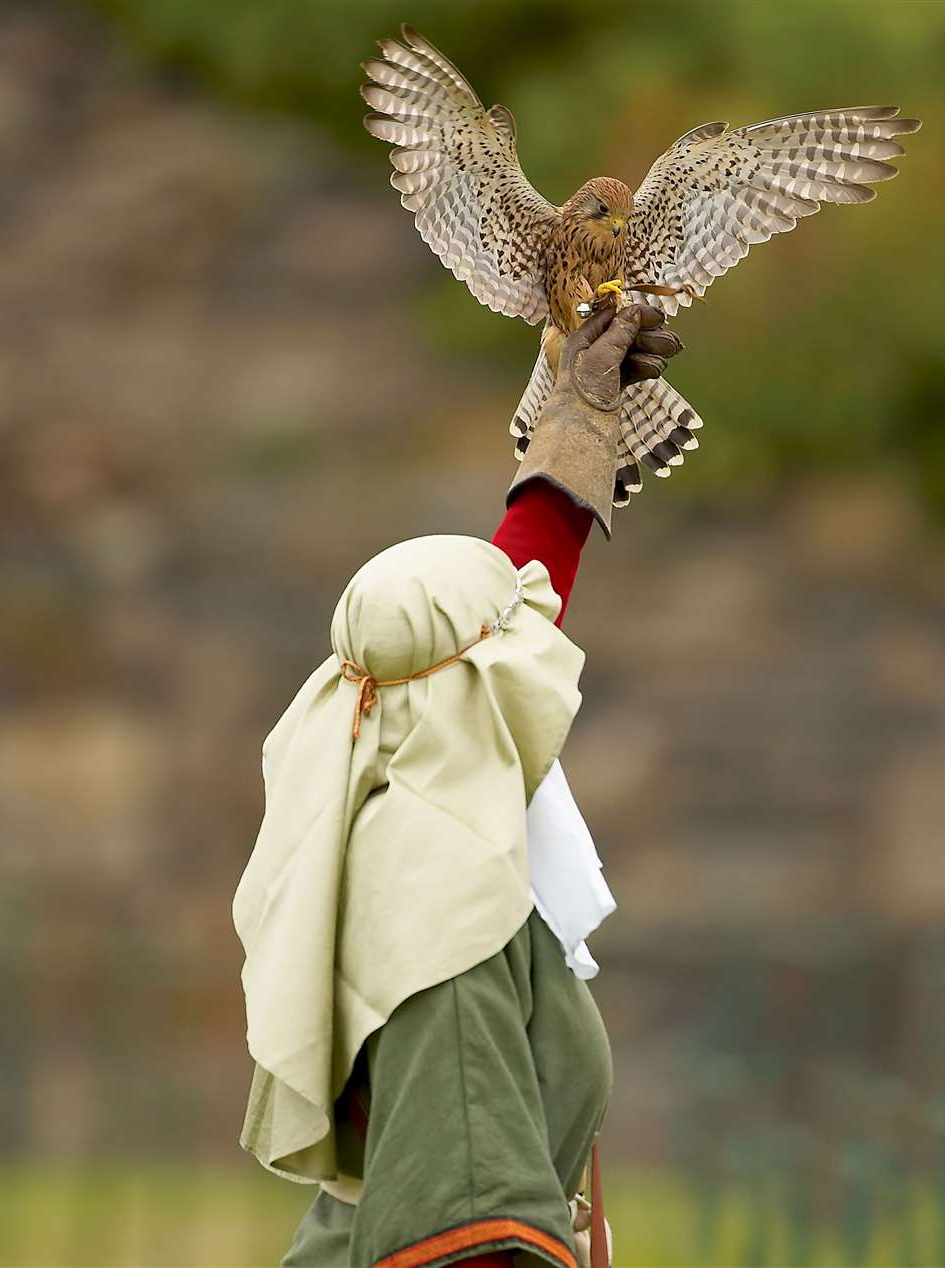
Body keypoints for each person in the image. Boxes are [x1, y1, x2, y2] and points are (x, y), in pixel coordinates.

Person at [232, 302, 683, 1268]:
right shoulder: (446, 915)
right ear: (480, 687)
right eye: (512, 647)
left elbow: (481, 621)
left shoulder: (391, 763)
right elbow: (465, 1240)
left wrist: (570, 443)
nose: (537, 647)